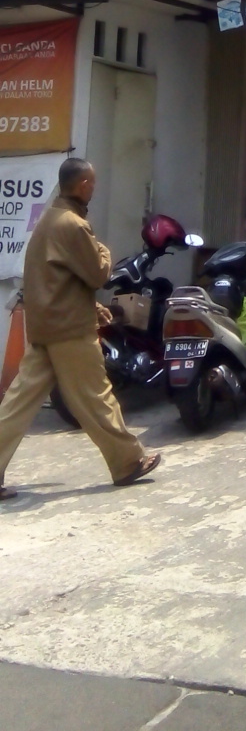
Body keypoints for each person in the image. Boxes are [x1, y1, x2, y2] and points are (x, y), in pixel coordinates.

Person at [0, 158, 160, 501]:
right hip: (70, 331)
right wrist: (104, 250)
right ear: (84, 185)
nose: (94, 188)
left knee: (16, 405)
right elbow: (98, 273)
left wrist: (94, 307)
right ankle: (128, 462)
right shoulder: (73, 225)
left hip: (45, 328)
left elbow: (58, 280)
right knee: (97, 397)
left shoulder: (49, 219)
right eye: (93, 182)